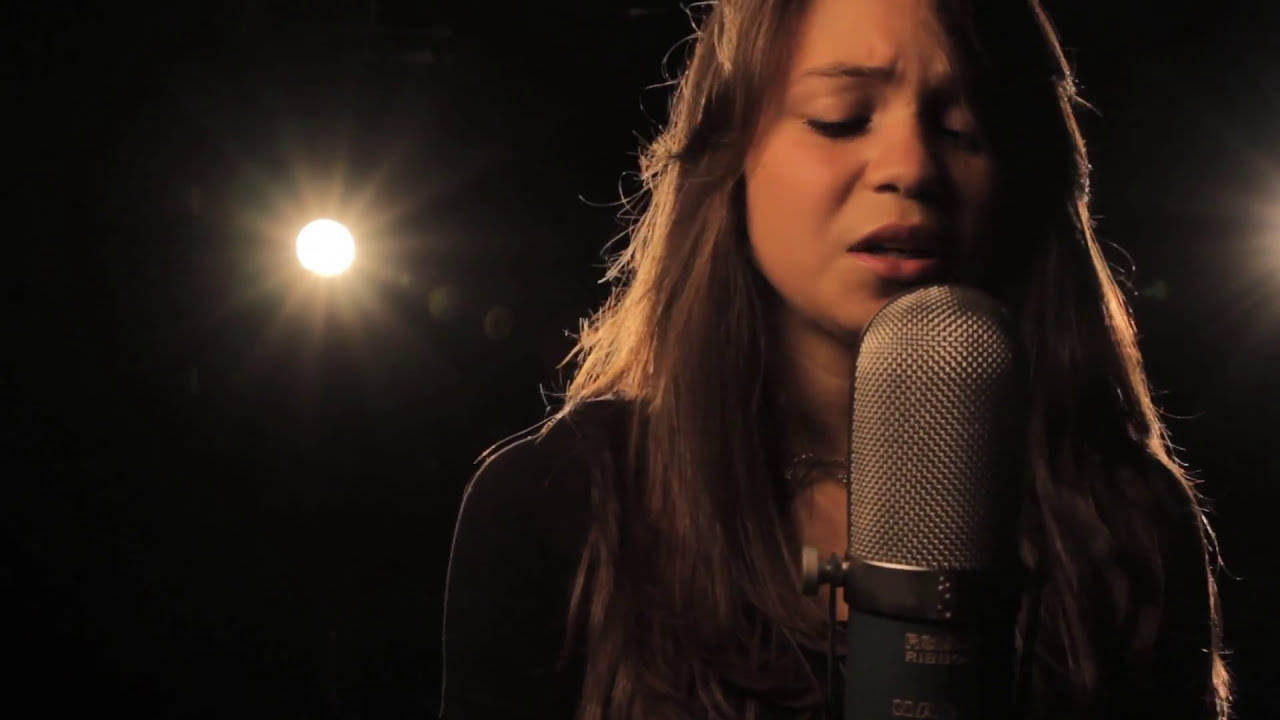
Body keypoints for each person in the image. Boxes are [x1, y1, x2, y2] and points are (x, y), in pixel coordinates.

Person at [437, 0, 1233, 718]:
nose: (912, 168)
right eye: (841, 119)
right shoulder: (557, 507)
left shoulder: (1124, 522)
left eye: (965, 129)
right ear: (730, 155)